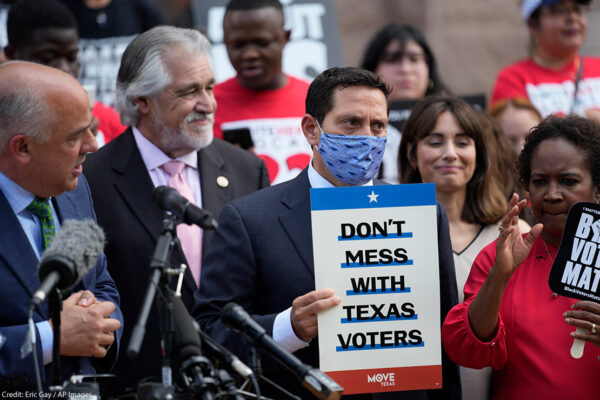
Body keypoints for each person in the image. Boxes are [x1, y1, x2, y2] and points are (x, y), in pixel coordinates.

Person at [194, 67, 461, 400]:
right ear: (311, 129)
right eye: (351, 123)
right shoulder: (250, 220)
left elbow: (443, 336)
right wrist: (286, 329)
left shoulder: (419, 213)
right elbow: (208, 333)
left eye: (377, 125)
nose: (367, 136)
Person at [83, 26, 270, 395]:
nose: (208, 103)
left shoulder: (247, 170)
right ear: (140, 100)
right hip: (139, 385)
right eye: (188, 91)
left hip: (237, 385)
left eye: (210, 87)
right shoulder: (89, 180)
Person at [442, 114, 600, 399]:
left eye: (568, 181)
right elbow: (468, 351)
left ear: (597, 188)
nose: (552, 194)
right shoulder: (499, 256)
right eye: (539, 181)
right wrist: (499, 276)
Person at [0, 61, 122, 388]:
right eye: (74, 137)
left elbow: (103, 283)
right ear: (23, 147)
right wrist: (50, 337)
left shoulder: (75, 187)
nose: (93, 145)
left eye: (91, 127)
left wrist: (96, 322)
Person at [399, 95, 529, 400]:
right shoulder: (384, 236)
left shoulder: (513, 235)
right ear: (411, 154)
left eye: (462, 142)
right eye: (434, 142)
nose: (449, 154)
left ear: (478, 154)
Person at [214, 0, 311, 184]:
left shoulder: (318, 100)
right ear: (224, 41)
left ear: (286, 37)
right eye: (238, 45)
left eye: (262, 43)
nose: (250, 54)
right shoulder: (207, 105)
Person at [4, 0, 126, 146]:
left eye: (71, 58)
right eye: (48, 58)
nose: (65, 69)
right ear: (12, 54)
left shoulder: (107, 123)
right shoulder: (5, 125)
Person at [361, 23, 447, 183]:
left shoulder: (455, 115)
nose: (405, 69)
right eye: (392, 60)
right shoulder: (352, 125)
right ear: (372, 69)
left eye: (415, 59)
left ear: (428, 66)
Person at [491, 0, 600, 123]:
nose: (572, 18)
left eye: (577, 9)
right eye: (559, 11)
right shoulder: (513, 79)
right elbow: (514, 136)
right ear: (532, 24)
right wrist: (584, 118)